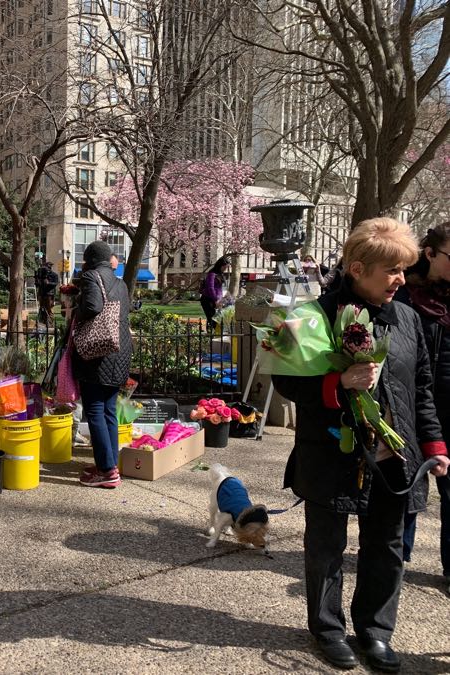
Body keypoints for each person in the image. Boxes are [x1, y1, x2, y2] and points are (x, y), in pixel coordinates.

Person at [272, 218, 448, 672]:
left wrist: (434, 446)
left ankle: (374, 631)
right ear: (356, 268)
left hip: (397, 455)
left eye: (404, 270)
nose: (400, 280)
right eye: (391, 270)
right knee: (327, 546)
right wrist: (338, 382)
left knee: (387, 546)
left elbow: (421, 387)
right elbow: (286, 379)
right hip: (333, 449)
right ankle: (327, 630)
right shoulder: (314, 314)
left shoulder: (407, 317)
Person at [397, 222, 450, 596]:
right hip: (411, 405)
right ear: (429, 254)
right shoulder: (402, 294)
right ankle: (396, 558)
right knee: (406, 490)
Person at [71, 240, 133, 489]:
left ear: (89, 259)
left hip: (98, 354)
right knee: (108, 410)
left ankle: (106, 471)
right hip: (119, 352)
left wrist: (74, 311)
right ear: (109, 259)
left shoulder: (91, 277)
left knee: (95, 410)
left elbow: (93, 307)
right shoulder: (121, 283)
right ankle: (110, 464)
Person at [200, 257, 229, 329]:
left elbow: (220, 289)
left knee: (216, 319)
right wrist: (216, 300)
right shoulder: (212, 274)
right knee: (212, 319)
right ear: (220, 265)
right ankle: (211, 336)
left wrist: (222, 299)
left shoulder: (220, 274)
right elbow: (210, 288)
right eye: (225, 267)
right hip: (208, 300)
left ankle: (213, 335)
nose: (225, 269)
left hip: (217, 300)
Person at [35, 260, 59, 325]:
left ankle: (50, 323)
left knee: (49, 309)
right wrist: (37, 281)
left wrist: (48, 283)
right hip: (41, 293)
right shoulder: (41, 275)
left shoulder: (54, 275)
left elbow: (55, 283)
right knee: (42, 308)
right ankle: (42, 322)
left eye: (48, 267)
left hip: (49, 294)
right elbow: (37, 285)